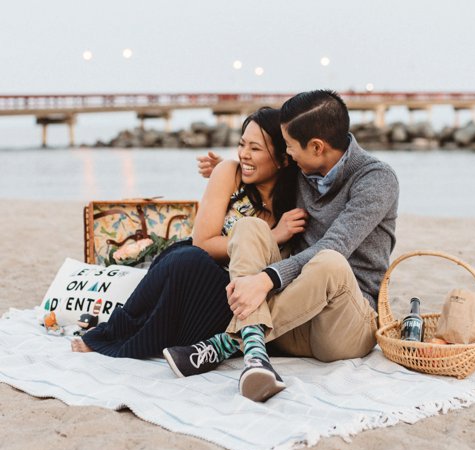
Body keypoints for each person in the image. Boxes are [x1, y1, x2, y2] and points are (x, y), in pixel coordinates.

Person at [165, 90, 399, 402]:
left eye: (289, 146)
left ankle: (227, 343)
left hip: (342, 327)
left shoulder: (376, 180)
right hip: (290, 322)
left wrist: (267, 279)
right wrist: (227, 168)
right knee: (250, 228)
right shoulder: (304, 169)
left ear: (316, 147)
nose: (286, 154)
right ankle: (256, 355)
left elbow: (336, 244)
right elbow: (265, 170)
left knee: (329, 261)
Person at [70, 107, 304, 358]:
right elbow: (202, 243)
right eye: (241, 144)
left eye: (255, 149)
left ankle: (205, 341)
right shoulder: (229, 173)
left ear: (283, 158)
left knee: (199, 273)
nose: (244, 154)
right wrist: (274, 235)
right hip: (198, 271)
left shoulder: (298, 198)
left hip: (239, 300)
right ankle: (113, 334)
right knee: (185, 258)